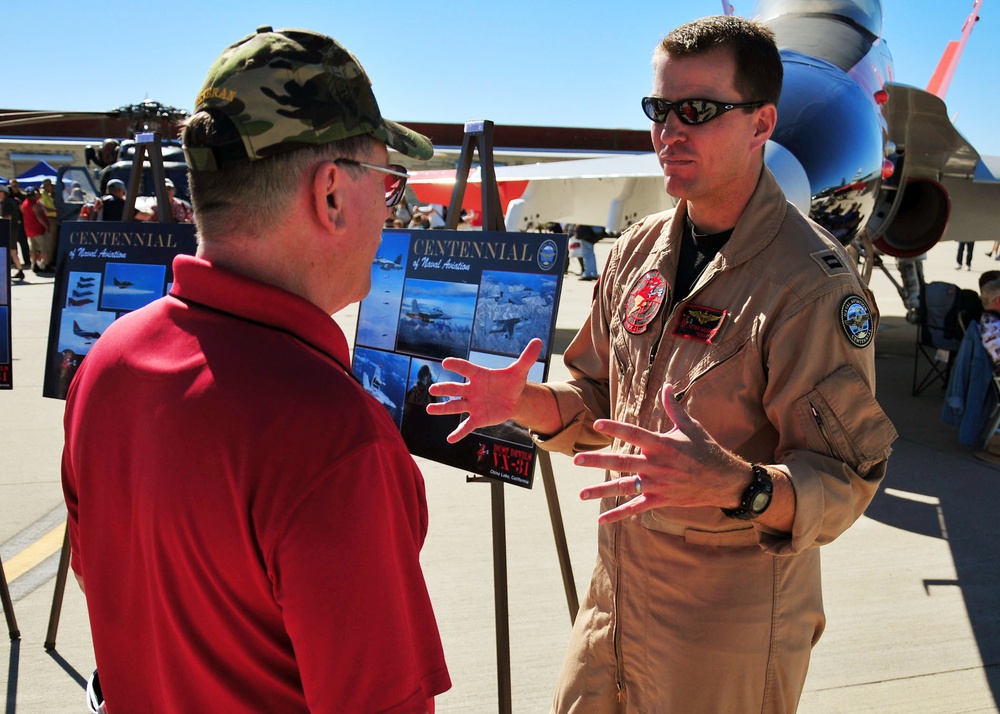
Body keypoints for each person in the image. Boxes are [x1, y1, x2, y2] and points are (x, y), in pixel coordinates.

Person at [427, 15, 896, 713]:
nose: (670, 132)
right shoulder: (638, 249)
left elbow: (846, 479)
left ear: (762, 123)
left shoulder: (810, 286)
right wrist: (527, 404)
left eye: (699, 111)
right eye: (660, 109)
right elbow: (594, 403)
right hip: (614, 607)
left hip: (725, 636)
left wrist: (739, 486)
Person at [62, 26, 450, 713]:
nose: (391, 215)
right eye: (388, 185)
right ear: (331, 194)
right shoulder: (334, 437)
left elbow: (108, 589)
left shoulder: (108, 363)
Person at [20, 187, 51, 271]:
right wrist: (46, 226)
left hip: (29, 229)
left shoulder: (24, 204)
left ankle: (34, 265)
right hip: (38, 229)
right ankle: (46, 265)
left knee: (33, 248)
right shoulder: (34, 204)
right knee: (43, 248)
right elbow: (39, 216)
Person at [1, 185, 25, 280]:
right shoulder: (10, 201)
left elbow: (7, 218)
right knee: (12, 251)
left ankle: (16, 270)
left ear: (3, 193)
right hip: (13, 229)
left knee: (11, 251)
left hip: (9, 230)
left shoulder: (6, 203)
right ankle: (20, 270)